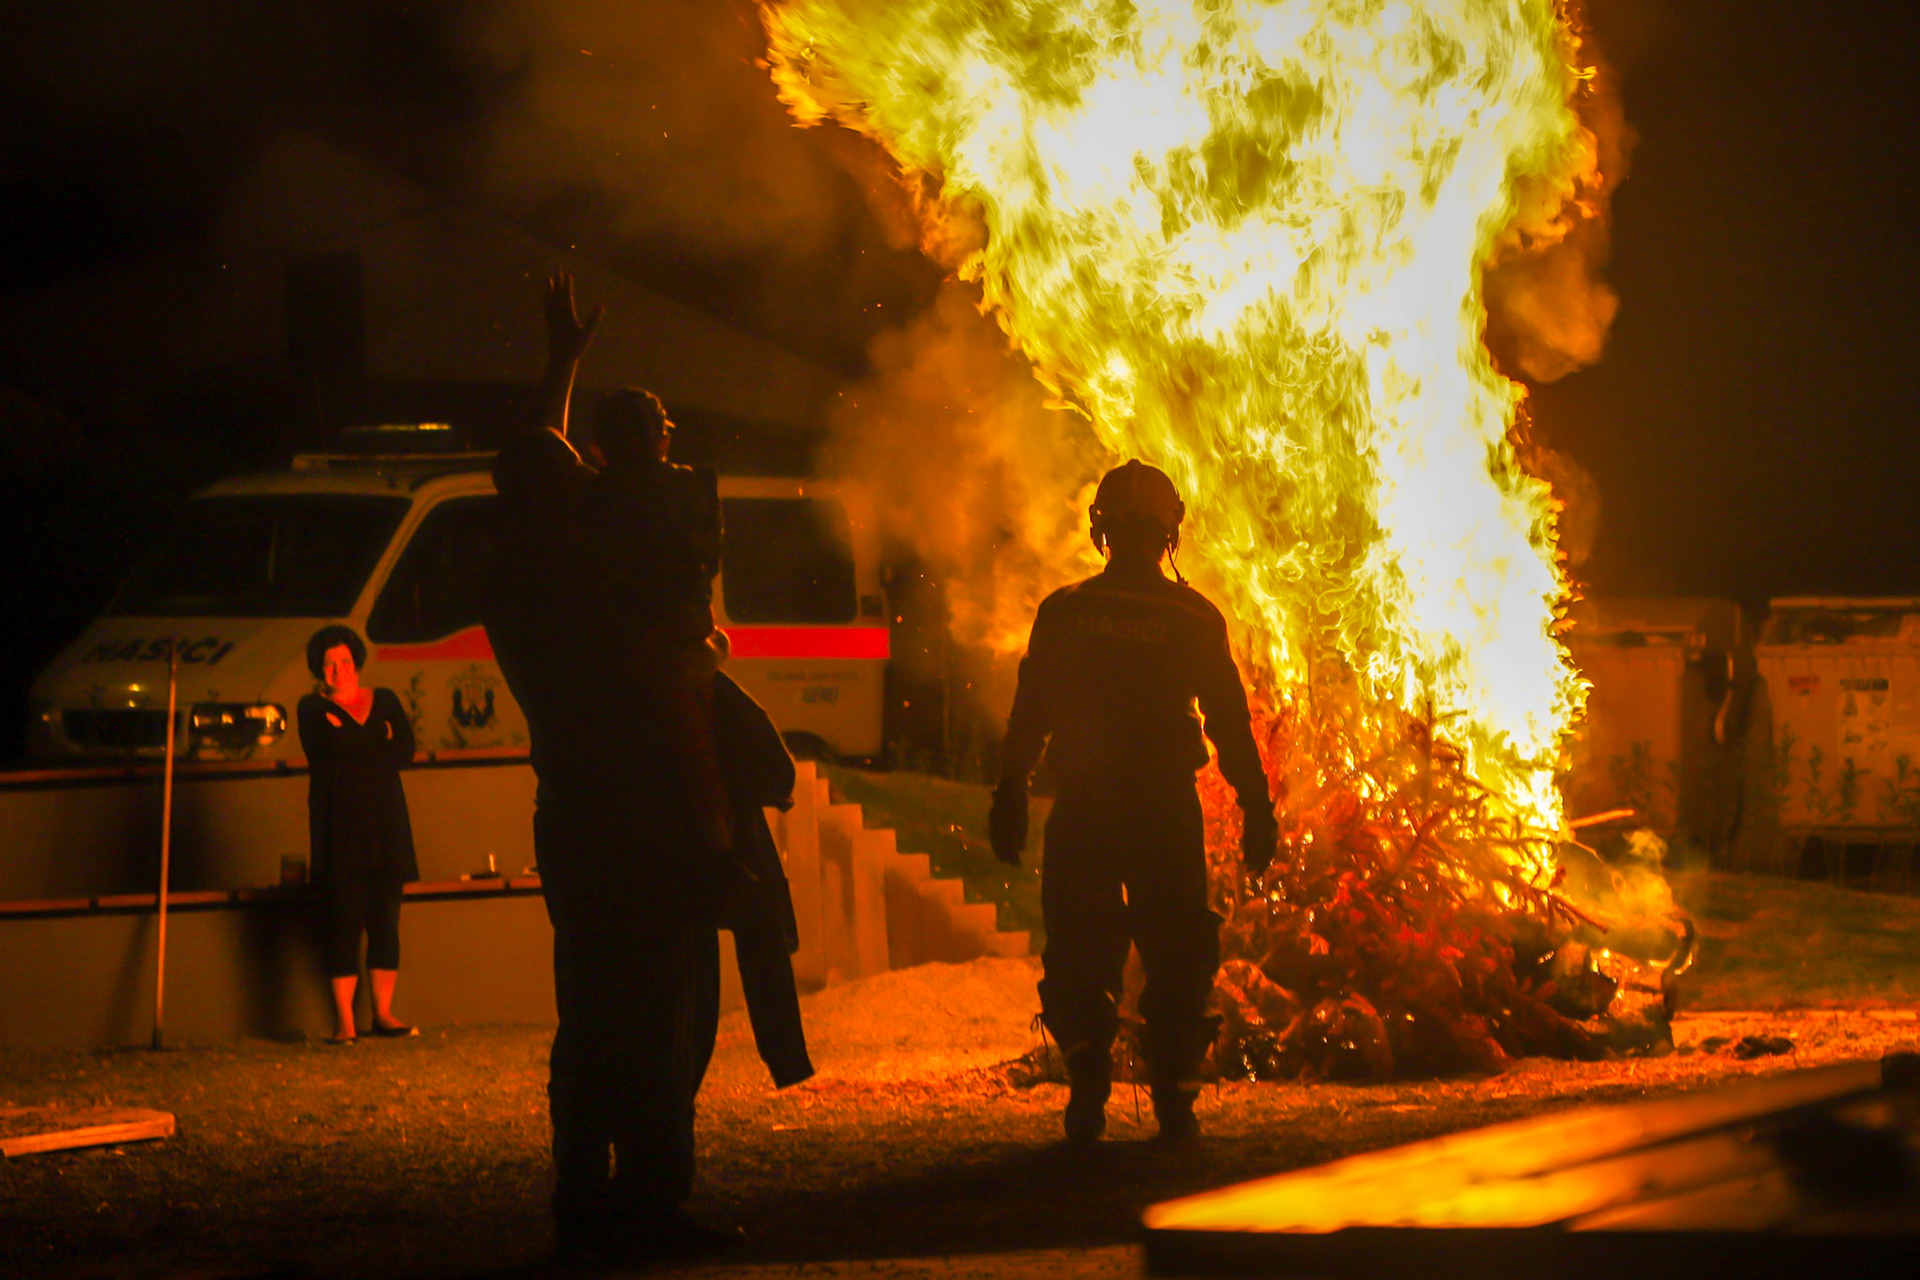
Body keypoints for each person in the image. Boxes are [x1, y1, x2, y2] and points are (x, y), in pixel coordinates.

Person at [483, 273, 736, 1263]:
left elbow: (542, 470)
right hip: (648, 821)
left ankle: (582, 1196)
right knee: (665, 1010)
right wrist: (710, 650)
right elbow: (673, 682)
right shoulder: (594, 592)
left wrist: (563, 361)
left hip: (575, 817)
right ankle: (652, 1200)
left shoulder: (522, 576)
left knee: (590, 1008)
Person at [989, 460, 1277, 1143]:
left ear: (1102, 530)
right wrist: (1258, 808)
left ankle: (1087, 1093)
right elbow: (1230, 724)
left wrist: (1009, 794)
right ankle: (1175, 1106)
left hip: (1085, 807)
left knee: (1079, 951)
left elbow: (1031, 715)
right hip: (1163, 810)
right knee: (1179, 952)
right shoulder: (1192, 616)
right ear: (1169, 535)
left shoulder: (1066, 612)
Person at [586, 388, 731, 854]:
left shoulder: (598, 496)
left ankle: (721, 845)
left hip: (649, 639)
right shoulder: (692, 485)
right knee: (701, 754)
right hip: (674, 635)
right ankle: (722, 848)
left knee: (699, 752)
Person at [296, 624, 419, 1045]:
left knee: (386, 920)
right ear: (319, 669)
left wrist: (353, 739)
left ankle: (383, 1013)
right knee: (344, 920)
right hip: (339, 829)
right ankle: (345, 1021)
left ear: (357, 663)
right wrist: (374, 740)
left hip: (386, 824)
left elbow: (405, 749)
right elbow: (324, 750)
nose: (338, 670)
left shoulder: (384, 700)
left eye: (345, 662)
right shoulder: (311, 709)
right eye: (330, 664)